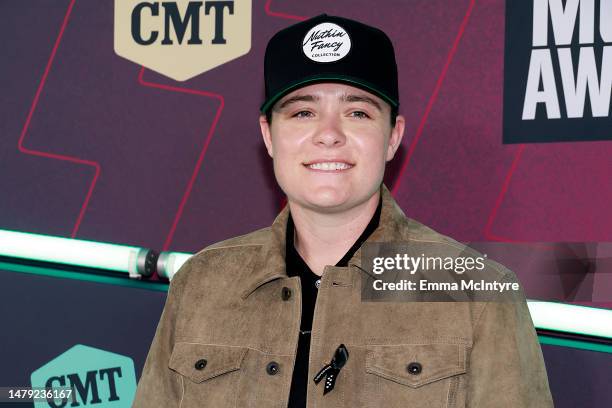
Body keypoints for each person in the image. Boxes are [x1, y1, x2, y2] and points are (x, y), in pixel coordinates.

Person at [133, 14, 553, 407]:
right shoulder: (201, 284)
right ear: (269, 135)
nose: (329, 135)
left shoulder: (477, 293)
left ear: (393, 137)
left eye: (357, 112)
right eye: (302, 112)